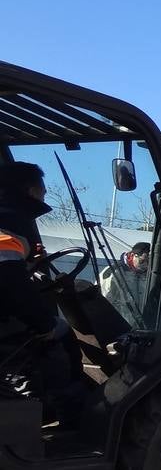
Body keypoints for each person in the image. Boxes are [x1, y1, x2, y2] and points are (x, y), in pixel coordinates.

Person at [0, 162, 79, 412]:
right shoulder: (9, 220)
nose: (45, 195)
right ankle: (63, 412)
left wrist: (31, 267)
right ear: (31, 190)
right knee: (60, 333)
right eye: (43, 190)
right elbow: (10, 281)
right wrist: (43, 323)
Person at [98, 241, 150, 327]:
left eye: (149, 262)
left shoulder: (150, 275)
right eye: (142, 261)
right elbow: (104, 300)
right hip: (118, 326)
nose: (146, 265)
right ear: (133, 255)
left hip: (142, 326)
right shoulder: (114, 272)